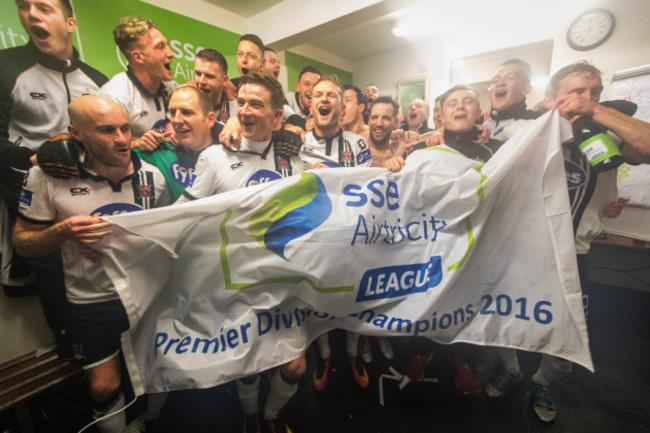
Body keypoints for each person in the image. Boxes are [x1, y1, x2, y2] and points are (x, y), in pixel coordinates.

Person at [486, 61, 650, 423]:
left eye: (594, 93)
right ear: (553, 98)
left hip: (575, 253)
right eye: (576, 92)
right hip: (523, 247)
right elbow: (484, 152)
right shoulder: (530, 129)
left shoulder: (610, 132)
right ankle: (510, 369)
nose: (585, 99)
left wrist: (595, 111)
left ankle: (544, 381)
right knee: (505, 314)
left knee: (570, 327)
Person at [13, 95, 171, 433]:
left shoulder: (153, 177)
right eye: (107, 130)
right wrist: (63, 231)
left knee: (160, 368)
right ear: (76, 133)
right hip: (90, 300)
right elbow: (22, 242)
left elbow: (174, 236)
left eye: (125, 128)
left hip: (146, 294)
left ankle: (150, 422)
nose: (121, 139)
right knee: (104, 386)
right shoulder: (47, 176)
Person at [178, 73, 304, 433]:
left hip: (283, 279)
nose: (246, 111)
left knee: (293, 366)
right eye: (241, 104)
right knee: (248, 364)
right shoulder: (215, 157)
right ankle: (250, 415)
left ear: (277, 117)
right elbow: (182, 212)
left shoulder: (292, 158)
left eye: (256, 105)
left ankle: (271, 416)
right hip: (236, 283)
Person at [0, 0, 107, 353]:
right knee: (51, 266)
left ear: (70, 23)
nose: (32, 14)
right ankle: (68, 341)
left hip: (91, 195)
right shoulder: (6, 65)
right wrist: (34, 157)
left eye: (44, 7)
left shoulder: (98, 80)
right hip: (34, 192)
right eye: (24, 6)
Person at [99, 16, 177, 149]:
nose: (171, 53)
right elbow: (101, 149)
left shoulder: (171, 87)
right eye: (160, 47)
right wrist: (136, 144)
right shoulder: (115, 96)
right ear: (138, 57)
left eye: (167, 45)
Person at [482, 58, 541, 141]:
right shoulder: (476, 125)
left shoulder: (539, 122)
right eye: (495, 80)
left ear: (526, 89)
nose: (500, 83)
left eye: (510, 77)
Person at [191, 48, 235, 125]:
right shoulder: (182, 103)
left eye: (209, 76)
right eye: (198, 74)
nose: (201, 81)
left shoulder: (235, 112)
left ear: (224, 80)